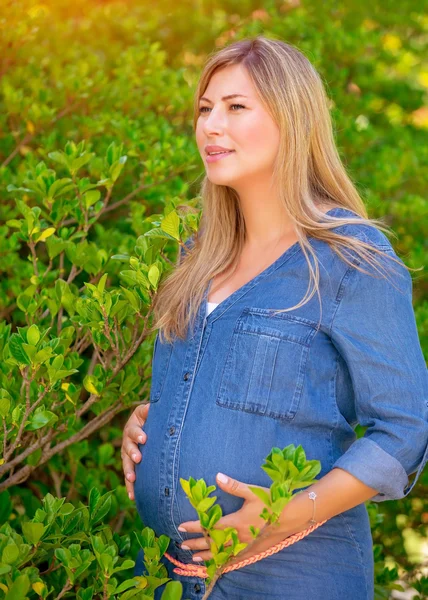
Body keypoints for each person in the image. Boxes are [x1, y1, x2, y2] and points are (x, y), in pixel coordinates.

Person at [121, 36, 428, 600]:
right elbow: (204, 390)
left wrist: (288, 511)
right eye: (205, 109)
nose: (212, 125)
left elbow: (405, 429)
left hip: (293, 578)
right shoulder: (197, 258)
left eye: (236, 107)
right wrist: (151, 426)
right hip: (166, 577)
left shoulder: (350, 259)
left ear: (292, 119)